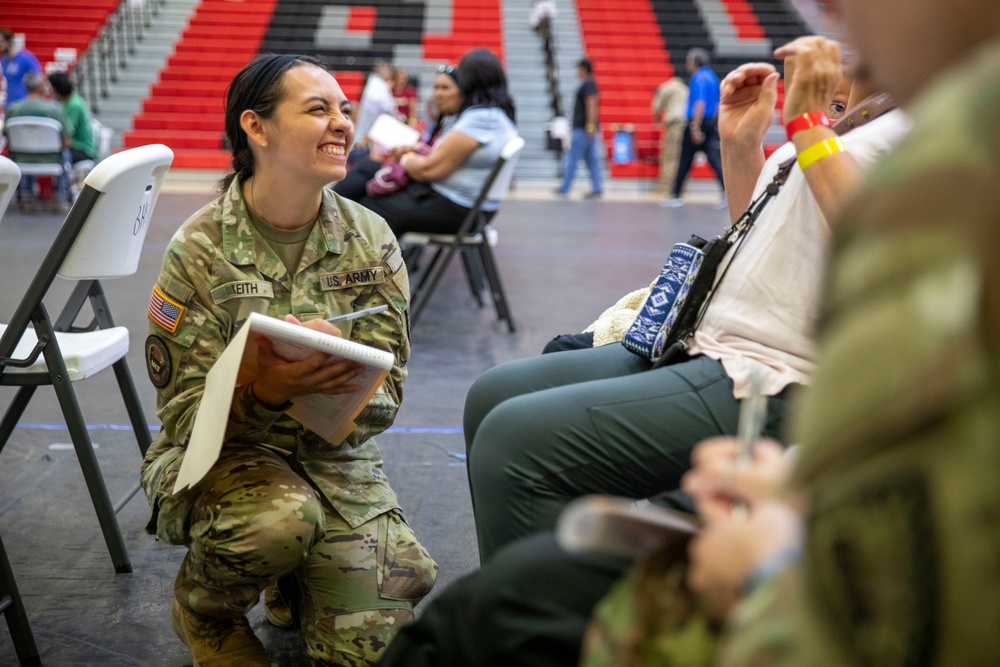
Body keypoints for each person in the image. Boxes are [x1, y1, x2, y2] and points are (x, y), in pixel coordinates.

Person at [464, 37, 909, 564]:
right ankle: (550, 595)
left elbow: (886, 248)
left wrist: (808, 125)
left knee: (511, 443)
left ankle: (552, 624)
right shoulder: (857, 117)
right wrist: (741, 145)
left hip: (778, 374)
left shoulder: (932, 123)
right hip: (707, 340)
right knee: (491, 394)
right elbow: (758, 238)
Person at [139, 53, 437, 667]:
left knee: (378, 635)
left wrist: (331, 376)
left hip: (333, 459)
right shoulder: (199, 248)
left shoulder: (372, 240)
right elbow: (182, 421)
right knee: (276, 523)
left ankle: (294, 578)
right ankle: (207, 611)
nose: (342, 124)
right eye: (318, 109)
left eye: (346, 111)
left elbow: (385, 400)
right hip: (223, 459)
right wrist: (264, 391)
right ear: (258, 127)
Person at [333, 48, 517, 238]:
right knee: (367, 171)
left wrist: (405, 157)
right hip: (463, 205)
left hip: (459, 209)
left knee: (370, 207)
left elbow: (429, 170)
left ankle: (335, 242)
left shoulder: (482, 118)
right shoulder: (492, 116)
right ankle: (329, 227)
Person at [661, 48, 725, 208]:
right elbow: (717, 103)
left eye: (689, 61)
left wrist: (695, 126)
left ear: (695, 62)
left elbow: (700, 103)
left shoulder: (699, 78)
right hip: (710, 121)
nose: (687, 64)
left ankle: (675, 194)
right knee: (714, 158)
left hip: (698, 121)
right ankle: (726, 192)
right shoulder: (712, 76)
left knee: (685, 158)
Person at [3, 70, 74, 211]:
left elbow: (7, 138)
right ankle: (60, 196)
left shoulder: (12, 109)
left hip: (21, 159)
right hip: (52, 159)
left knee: (22, 151)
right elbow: (66, 142)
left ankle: (26, 195)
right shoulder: (55, 109)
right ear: (40, 86)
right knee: (66, 154)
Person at [555, 58, 603, 199]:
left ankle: (565, 187)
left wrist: (589, 126)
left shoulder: (588, 84)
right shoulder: (589, 83)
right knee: (591, 160)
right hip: (586, 129)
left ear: (583, 69)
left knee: (572, 158)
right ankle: (597, 188)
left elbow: (591, 105)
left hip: (583, 129)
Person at [349, 58, 397, 162]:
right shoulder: (378, 86)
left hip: (371, 129)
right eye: (387, 70)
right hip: (372, 131)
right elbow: (389, 109)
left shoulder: (375, 84)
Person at [47, 71, 97, 164]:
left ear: (55, 89)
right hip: (74, 146)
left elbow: (66, 135)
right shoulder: (69, 101)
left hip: (83, 149)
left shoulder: (74, 105)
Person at [651, 76, 689, 193]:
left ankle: (667, 186)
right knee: (682, 156)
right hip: (687, 123)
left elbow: (656, 108)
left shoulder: (665, 88)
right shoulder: (685, 89)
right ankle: (680, 186)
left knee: (669, 155)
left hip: (674, 123)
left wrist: (657, 121)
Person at [0, 29, 41, 108]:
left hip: (24, 104)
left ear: (9, 41)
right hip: (10, 104)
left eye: (1, 42)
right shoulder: (3, 60)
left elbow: (38, 77)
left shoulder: (26, 58)